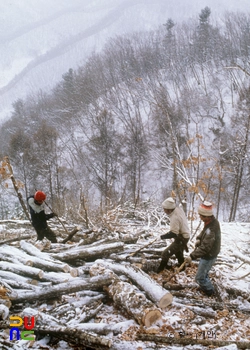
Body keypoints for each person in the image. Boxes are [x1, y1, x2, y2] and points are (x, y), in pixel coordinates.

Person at [185, 201, 221, 297]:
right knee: (204, 273)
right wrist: (199, 238)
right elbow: (204, 231)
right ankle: (206, 283)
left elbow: (205, 247)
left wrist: (192, 256)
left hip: (209, 255)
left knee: (199, 278)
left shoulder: (212, 229)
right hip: (208, 253)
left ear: (206, 216)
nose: (199, 217)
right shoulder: (210, 222)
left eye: (201, 215)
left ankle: (210, 292)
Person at [157, 197, 190, 273]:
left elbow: (174, 233)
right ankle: (182, 267)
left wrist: (162, 237)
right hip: (184, 235)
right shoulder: (177, 209)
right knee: (178, 252)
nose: (164, 210)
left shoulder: (175, 217)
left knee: (165, 253)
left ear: (169, 209)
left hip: (182, 237)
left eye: (164, 209)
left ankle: (160, 270)